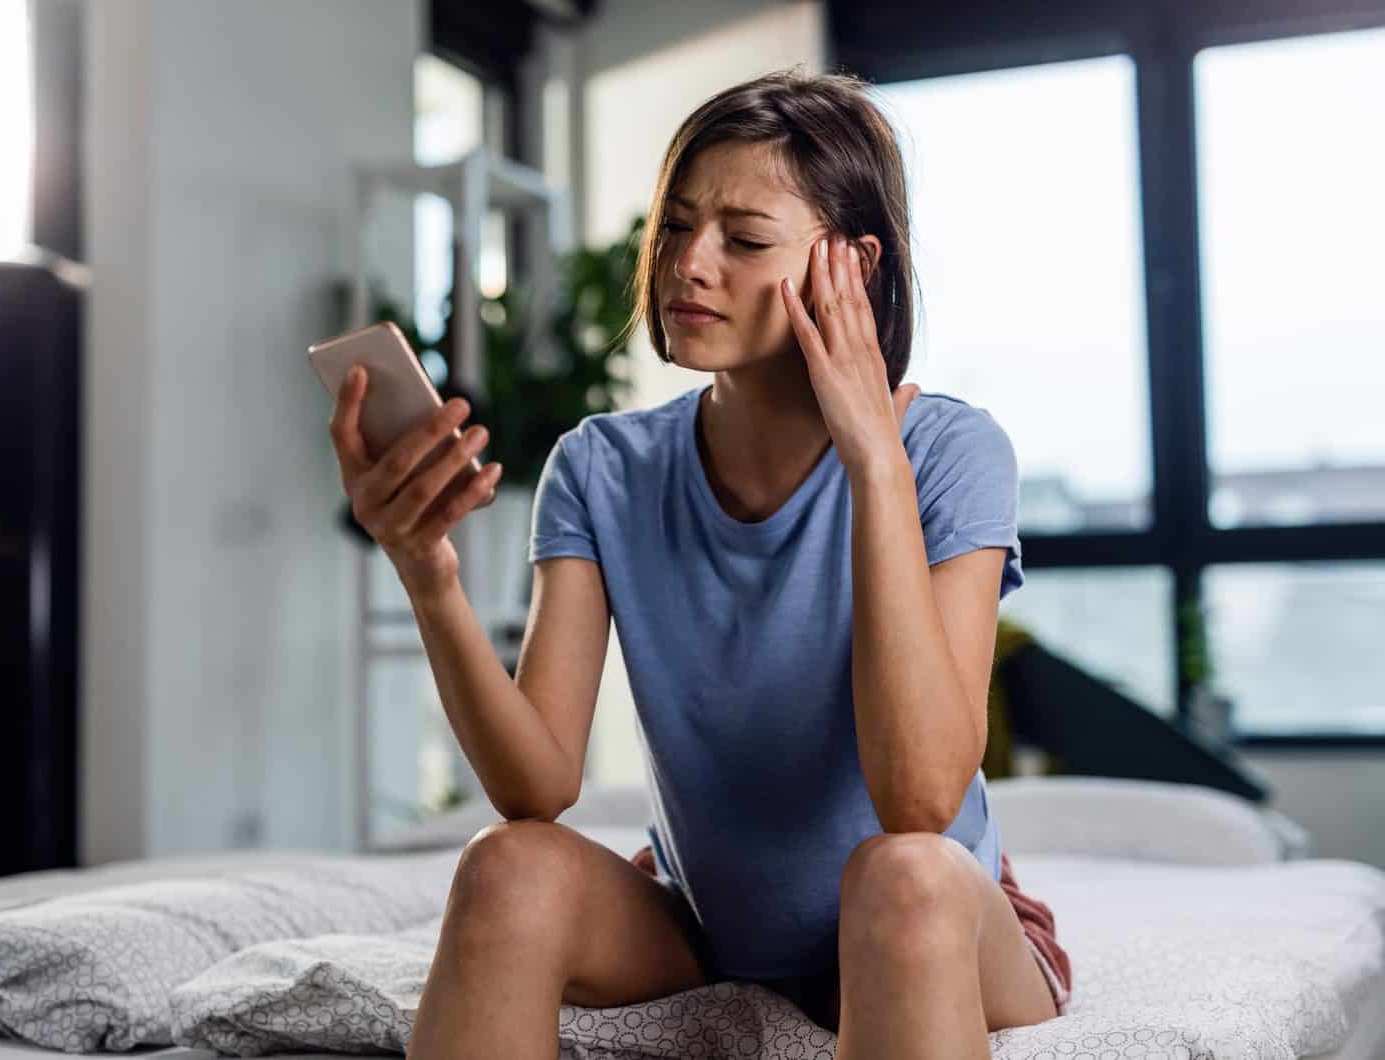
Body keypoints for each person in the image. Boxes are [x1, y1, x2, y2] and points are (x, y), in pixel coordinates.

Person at [329, 66, 1071, 1060]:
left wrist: (873, 468)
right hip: (709, 926)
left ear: (852, 264)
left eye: (744, 238)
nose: (689, 263)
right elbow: (536, 784)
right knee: (507, 864)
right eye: (676, 226)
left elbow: (920, 801)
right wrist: (429, 574)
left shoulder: (949, 454)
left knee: (904, 876)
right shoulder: (600, 467)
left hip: (931, 927)